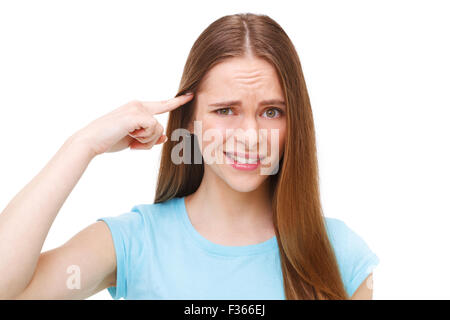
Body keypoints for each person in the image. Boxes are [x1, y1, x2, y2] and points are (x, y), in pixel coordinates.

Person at [0, 13, 379, 300]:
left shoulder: (340, 254)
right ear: (191, 121)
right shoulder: (132, 243)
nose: (250, 137)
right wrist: (82, 145)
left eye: (271, 112)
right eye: (226, 110)